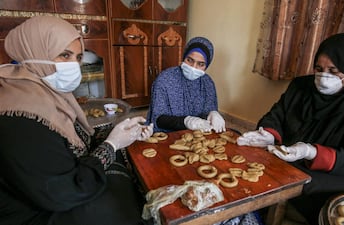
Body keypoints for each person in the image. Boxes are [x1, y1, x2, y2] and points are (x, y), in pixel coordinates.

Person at [0, 16, 154, 225]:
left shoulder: (47, 92)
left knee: (125, 174)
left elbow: (75, 139)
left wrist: (120, 130)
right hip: (36, 210)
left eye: (78, 57)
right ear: (33, 52)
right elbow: (63, 191)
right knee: (117, 205)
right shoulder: (20, 112)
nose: (74, 65)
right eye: (64, 55)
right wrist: (112, 144)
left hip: (56, 190)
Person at [237, 33, 344, 225]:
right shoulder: (301, 86)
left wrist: (311, 152)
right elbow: (277, 115)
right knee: (261, 164)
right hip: (297, 157)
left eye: (334, 71)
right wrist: (268, 134)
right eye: (319, 68)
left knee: (300, 181)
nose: (324, 76)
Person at [146, 36, 226, 133]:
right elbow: (158, 119)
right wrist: (185, 121)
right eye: (190, 60)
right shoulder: (165, 80)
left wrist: (213, 113)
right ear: (184, 57)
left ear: (207, 65)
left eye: (200, 64)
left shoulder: (207, 83)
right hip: (168, 134)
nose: (193, 67)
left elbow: (208, 116)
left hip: (198, 134)